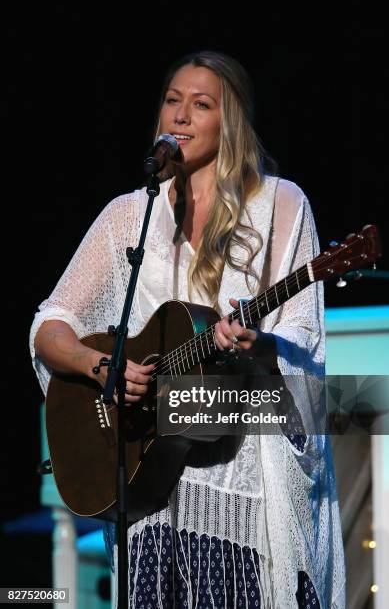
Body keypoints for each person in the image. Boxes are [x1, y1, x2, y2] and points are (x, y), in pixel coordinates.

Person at [30, 51, 345, 608]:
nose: (181, 115)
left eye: (201, 105)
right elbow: (51, 325)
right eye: (173, 101)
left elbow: (305, 340)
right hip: (152, 488)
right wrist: (100, 366)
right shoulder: (129, 215)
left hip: (243, 484)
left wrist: (262, 345)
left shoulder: (279, 203)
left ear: (231, 125)